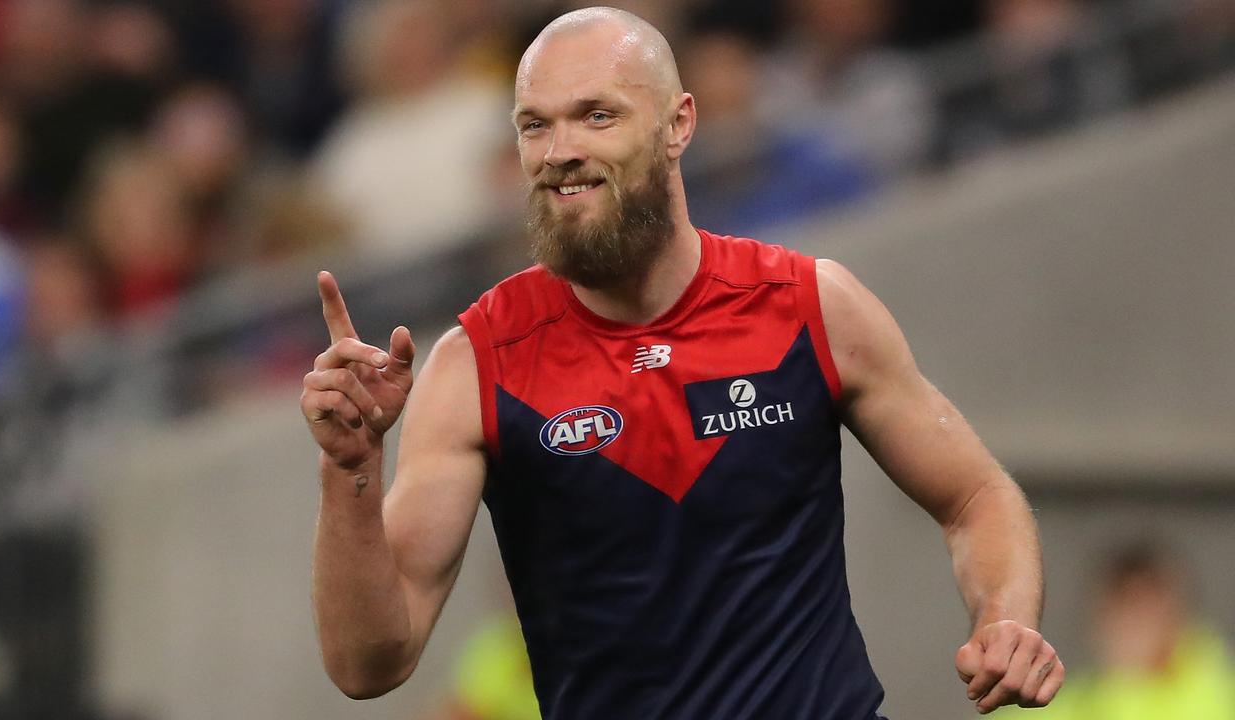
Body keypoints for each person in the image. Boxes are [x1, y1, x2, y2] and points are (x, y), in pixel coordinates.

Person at [301, 7, 1064, 718]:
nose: (561, 151)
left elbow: (976, 497)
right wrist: (350, 469)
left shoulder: (809, 306)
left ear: (678, 124)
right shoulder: (477, 364)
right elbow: (369, 664)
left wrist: (1003, 620)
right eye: (535, 125)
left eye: (597, 115)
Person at [988, 542, 1235, 719]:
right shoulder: (1076, 698)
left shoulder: (1222, 698)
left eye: (1143, 609)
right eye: (1121, 608)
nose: (1130, 627)